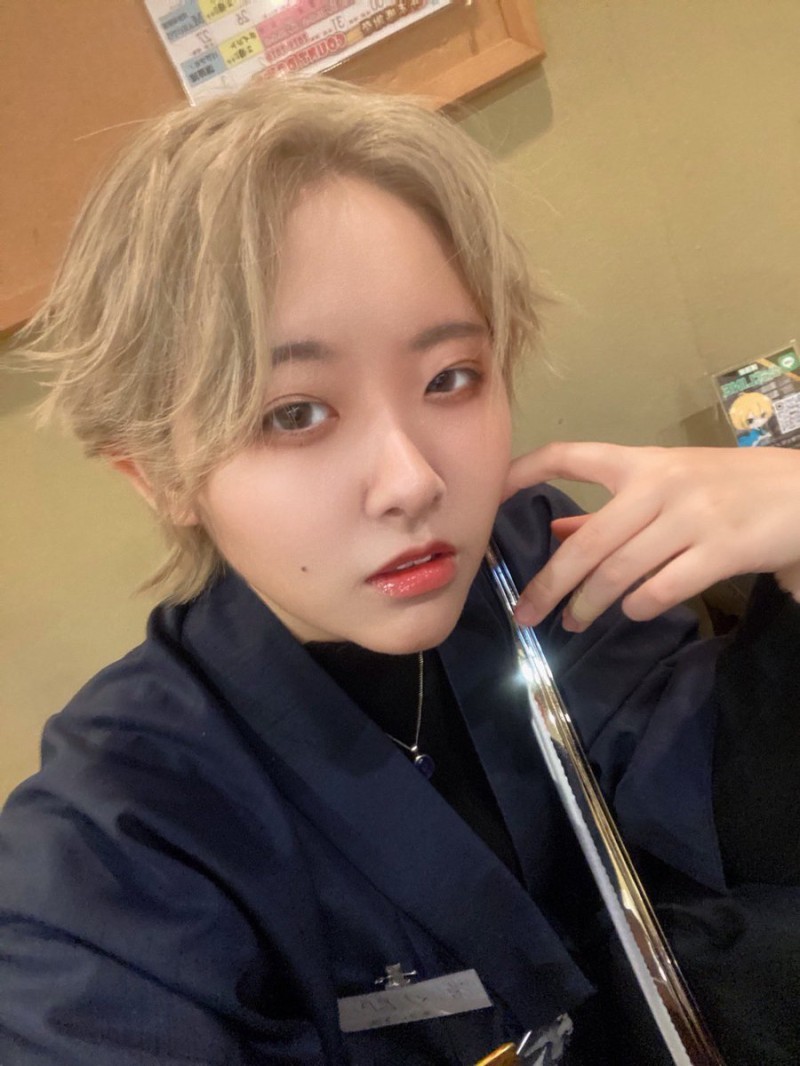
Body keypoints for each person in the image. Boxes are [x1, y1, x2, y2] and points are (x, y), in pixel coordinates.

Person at [1, 75, 799, 1066]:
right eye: (294, 413)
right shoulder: (120, 828)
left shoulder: (535, 561)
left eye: (449, 378)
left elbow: (739, 821)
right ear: (158, 473)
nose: (412, 480)